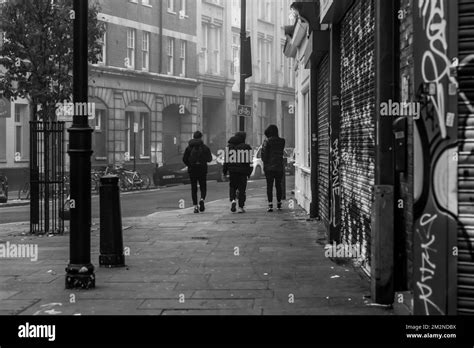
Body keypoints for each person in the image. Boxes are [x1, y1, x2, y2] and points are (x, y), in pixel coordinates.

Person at [183, 131, 212, 213]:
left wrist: (190, 165)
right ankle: (202, 199)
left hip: (192, 170)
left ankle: (195, 207)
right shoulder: (205, 147)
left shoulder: (189, 148)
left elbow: (184, 159)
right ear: (201, 137)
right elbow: (209, 159)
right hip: (202, 169)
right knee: (203, 186)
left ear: (193, 137)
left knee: (194, 188)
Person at [223, 131, 252, 213]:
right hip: (243, 171)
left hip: (232, 171)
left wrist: (224, 172)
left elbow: (226, 161)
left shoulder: (229, 147)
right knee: (242, 189)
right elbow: (249, 161)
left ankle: (233, 201)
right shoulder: (246, 147)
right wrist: (249, 172)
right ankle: (241, 207)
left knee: (232, 186)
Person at [261, 124, 285, 212]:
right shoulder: (282, 141)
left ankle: (270, 205)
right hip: (279, 167)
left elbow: (263, 155)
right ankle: (279, 204)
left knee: (269, 186)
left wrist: (266, 164)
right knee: (278, 185)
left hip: (269, 168)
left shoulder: (267, 141)